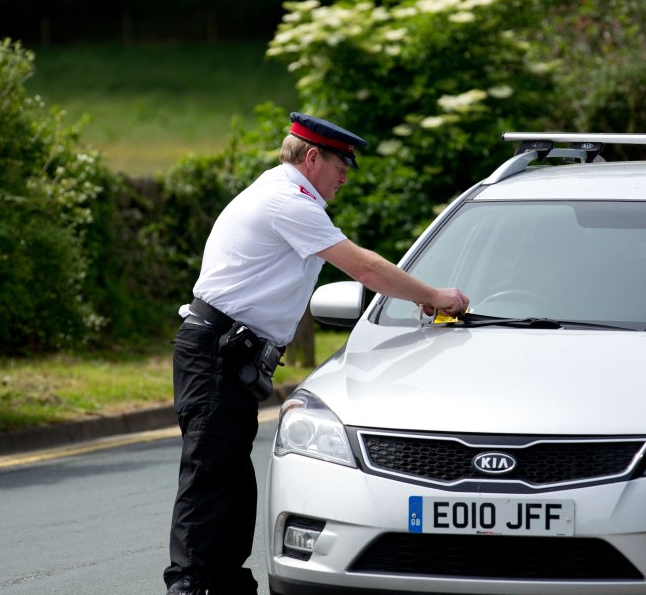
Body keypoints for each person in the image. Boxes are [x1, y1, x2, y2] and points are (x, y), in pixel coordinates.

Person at [163, 112, 469, 595]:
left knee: (233, 485)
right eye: (340, 166)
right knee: (210, 479)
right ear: (311, 158)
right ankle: (191, 588)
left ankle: (220, 584)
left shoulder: (286, 195)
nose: (345, 176)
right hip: (217, 352)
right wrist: (433, 295)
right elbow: (363, 268)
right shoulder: (288, 201)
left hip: (228, 352)